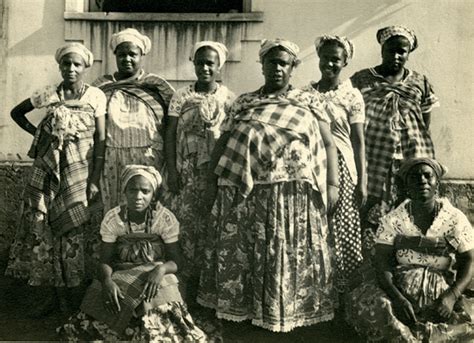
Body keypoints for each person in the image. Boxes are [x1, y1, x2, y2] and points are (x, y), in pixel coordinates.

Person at [198, 38, 339, 332]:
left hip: (291, 195)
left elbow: (327, 143)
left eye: (284, 63)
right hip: (243, 194)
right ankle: (245, 310)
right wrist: (211, 179)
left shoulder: (309, 101)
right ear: (262, 65)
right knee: (246, 251)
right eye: (272, 62)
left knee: (285, 250)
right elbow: (224, 141)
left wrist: (333, 184)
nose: (277, 68)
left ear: (293, 68)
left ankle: (289, 311)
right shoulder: (244, 102)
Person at [5, 43, 107, 315]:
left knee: (75, 228)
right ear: (59, 66)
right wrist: (40, 135)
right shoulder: (48, 94)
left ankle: (76, 297)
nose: (71, 69)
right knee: (46, 229)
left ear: (85, 67)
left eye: (76, 64)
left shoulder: (95, 96)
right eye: (66, 64)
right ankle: (52, 296)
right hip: (48, 171)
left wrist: (95, 178)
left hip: (80, 172)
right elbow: (16, 113)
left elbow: (101, 139)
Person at [59, 165, 206, 341]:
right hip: (123, 271)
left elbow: (177, 261)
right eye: (132, 190)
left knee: (156, 295)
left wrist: (160, 271)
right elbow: (105, 261)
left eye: (145, 191)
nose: (138, 196)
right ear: (124, 191)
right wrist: (107, 281)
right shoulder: (113, 219)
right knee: (108, 295)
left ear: (153, 194)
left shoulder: (164, 218)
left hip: (157, 270)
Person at [345, 158, 474, 342]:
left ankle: (426, 335)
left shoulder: (454, 218)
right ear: (406, 186)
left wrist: (451, 296)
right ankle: (417, 337)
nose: (422, 180)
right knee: (370, 306)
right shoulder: (393, 220)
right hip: (400, 289)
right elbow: (383, 264)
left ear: (437, 182)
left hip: (442, 294)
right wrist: (398, 299)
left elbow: (469, 260)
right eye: (415, 177)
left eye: (427, 176)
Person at [351, 25, 440, 231]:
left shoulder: (419, 81)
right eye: (391, 50)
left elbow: (425, 119)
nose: (396, 55)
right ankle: (375, 252)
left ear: (409, 53)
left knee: (411, 201)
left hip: (412, 153)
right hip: (374, 154)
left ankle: (410, 248)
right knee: (372, 205)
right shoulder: (362, 79)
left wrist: (412, 139)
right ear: (382, 50)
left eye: (402, 51)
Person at [164, 41, 235, 292]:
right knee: (183, 226)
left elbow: (231, 138)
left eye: (210, 63)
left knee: (211, 226)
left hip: (215, 173)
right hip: (186, 171)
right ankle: (182, 284)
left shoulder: (228, 98)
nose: (205, 67)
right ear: (193, 63)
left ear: (219, 66)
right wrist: (172, 171)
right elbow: (170, 134)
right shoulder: (181, 95)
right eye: (200, 62)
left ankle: (208, 289)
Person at [302, 35, 366, 294]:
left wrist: (363, 181)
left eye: (335, 59)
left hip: (342, 167)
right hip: (311, 166)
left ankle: (344, 294)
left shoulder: (351, 96)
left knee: (343, 226)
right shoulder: (305, 94)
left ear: (345, 62)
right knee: (313, 226)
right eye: (325, 58)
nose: (329, 63)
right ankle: (315, 292)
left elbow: (358, 140)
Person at [93, 28, 175, 212]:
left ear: (142, 55)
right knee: (114, 208)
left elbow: (172, 124)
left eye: (132, 54)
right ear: (115, 55)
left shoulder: (157, 86)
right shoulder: (101, 87)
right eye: (122, 54)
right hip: (112, 157)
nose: (127, 59)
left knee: (149, 209)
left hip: (149, 157)